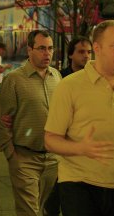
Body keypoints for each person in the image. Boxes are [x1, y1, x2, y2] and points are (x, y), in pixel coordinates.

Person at [44, 20, 114, 216]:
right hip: (79, 185)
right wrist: (80, 148)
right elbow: (50, 140)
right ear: (97, 48)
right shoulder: (69, 86)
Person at [0, 29, 62, 216]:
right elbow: (2, 119)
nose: (47, 53)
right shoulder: (14, 79)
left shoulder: (56, 77)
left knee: (42, 208)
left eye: (50, 48)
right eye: (41, 48)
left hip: (52, 158)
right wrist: (11, 154)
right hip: (24, 157)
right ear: (29, 50)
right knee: (29, 211)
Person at [44, 36, 92, 216]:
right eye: (81, 52)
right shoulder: (60, 78)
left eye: (89, 52)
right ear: (71, 54)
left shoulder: (94, 79)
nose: (86, 56)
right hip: (61, 141)